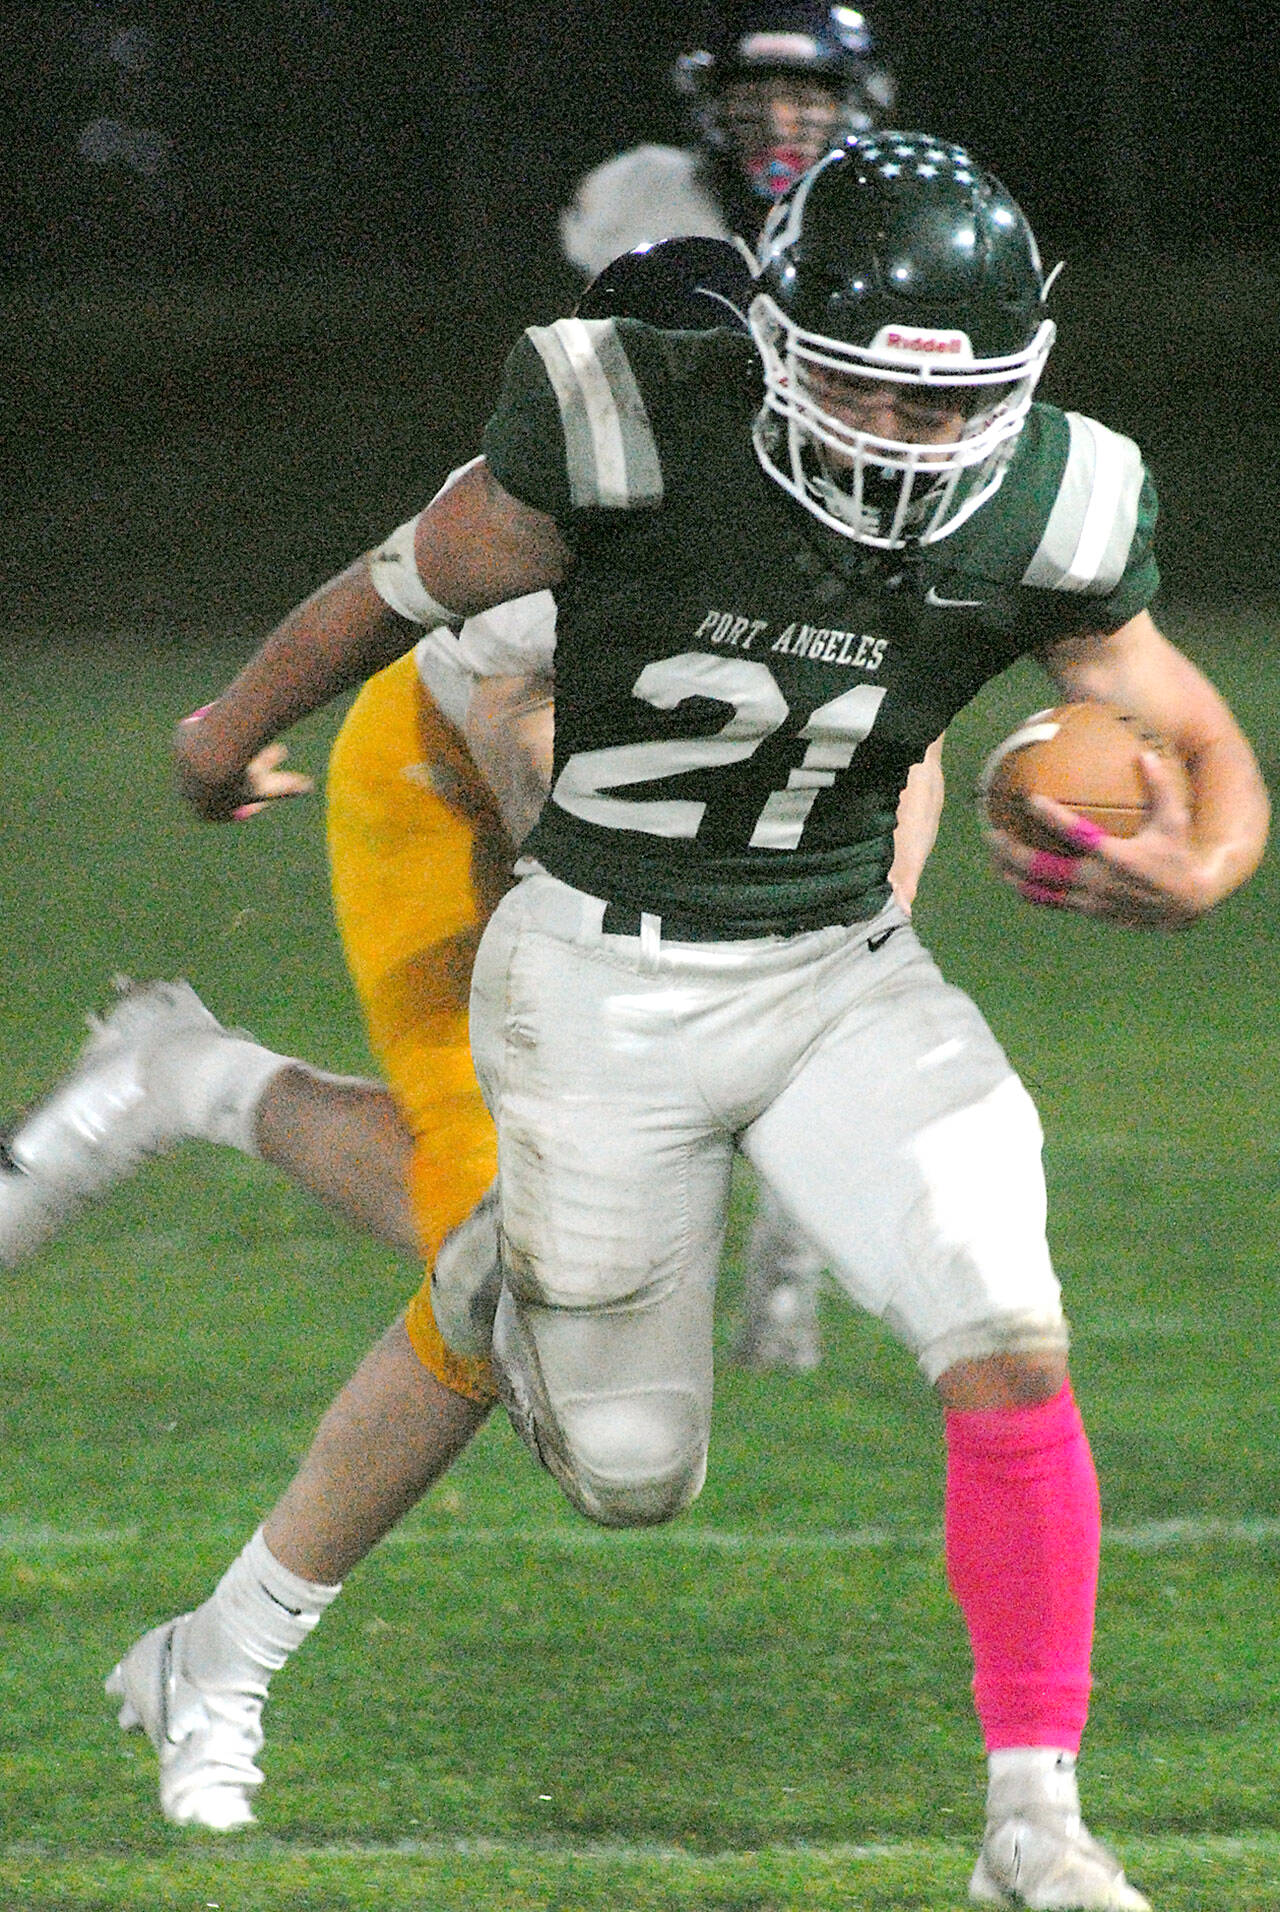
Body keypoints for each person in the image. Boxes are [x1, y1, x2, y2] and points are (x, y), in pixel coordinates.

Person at [143, 134, 1271, 1905]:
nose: (907, 446)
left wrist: (1205, 865)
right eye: (864, 398)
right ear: (774, 334)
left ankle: (1033, 1820)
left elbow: (1191, 730)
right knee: (629, 1474)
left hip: (835, 971)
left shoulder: (1050, 497)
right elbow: (394, 590)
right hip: (601, 966)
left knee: (1005, 1320)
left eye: (950, 407)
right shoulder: (622, 425)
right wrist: (224, 731)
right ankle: (475, 1258)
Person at [1, 238, 940, 1833]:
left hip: (644, 835)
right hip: (447, 795)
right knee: (503, 1257)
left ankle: (187, 1081)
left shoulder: (857, 495)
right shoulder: (565, 498)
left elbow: (888, 757)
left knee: (554, 1298)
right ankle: (219, 1653)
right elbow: (526, 753)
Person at [562, 4, 902, 1368]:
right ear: (711, 99)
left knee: (834, 913)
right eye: (756, 92)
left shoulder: (889, 210)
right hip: (666, 588)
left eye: (807, 93)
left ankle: (788, 1237)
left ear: (855, 100)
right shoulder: (641, 202)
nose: (779, 119)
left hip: (835, 602)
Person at [560, 1, 895, 277]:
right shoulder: (642, 190)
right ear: (713, 105)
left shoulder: (885, 206)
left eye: (804, 101)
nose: (779, 127)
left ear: (853, 108)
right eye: (751, 100)